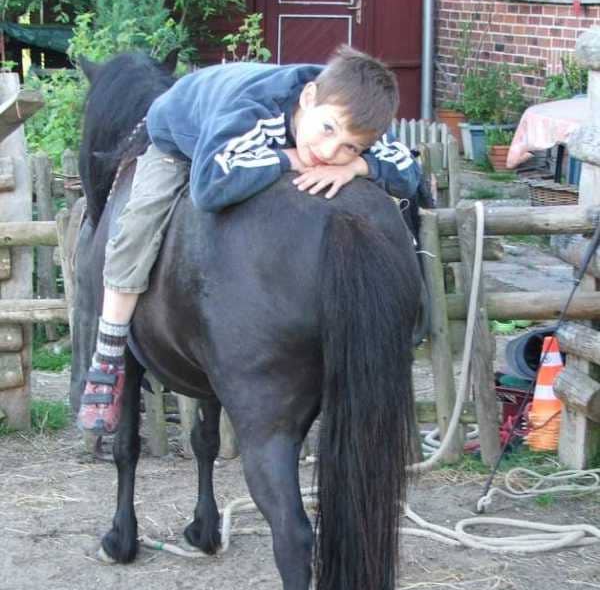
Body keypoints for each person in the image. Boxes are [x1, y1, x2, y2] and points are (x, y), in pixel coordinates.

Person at [77, 45, 421, 434]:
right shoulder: (256, 113)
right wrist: (289, 159)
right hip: (180, 132)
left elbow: (410, 168)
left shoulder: (355, 110)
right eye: (327, 130)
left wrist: (360, 165)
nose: (328, 152)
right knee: (136, 226)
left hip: (259, 136)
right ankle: (107, 358)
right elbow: (210, 184)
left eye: (349, 146)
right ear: (309, 99)